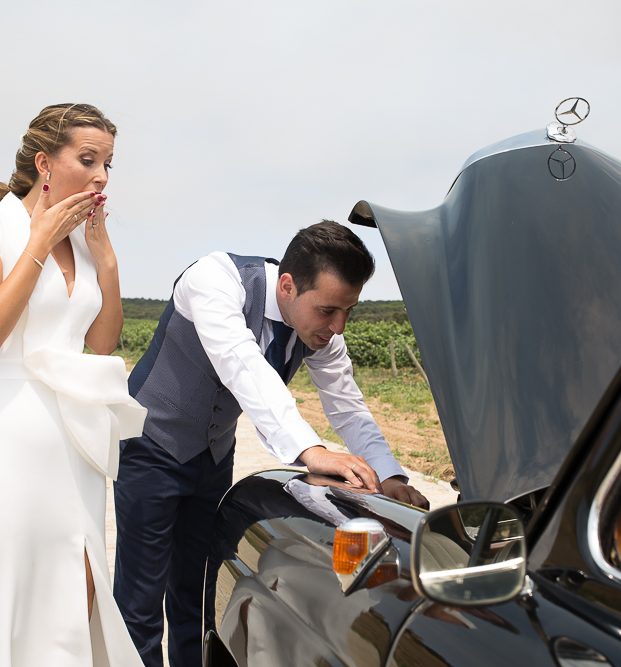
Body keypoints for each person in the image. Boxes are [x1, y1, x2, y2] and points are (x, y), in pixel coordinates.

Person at [113, 221, 429, 667]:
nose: (338, 327)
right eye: (327, 311)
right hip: (152, 446)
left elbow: (348, 406)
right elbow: (242, 364)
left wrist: (392, 476)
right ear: (286, 285)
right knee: (140, 603)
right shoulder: (215, 279)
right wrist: (311, 451)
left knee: (194, 592)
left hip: (214, 456)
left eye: (348, 311)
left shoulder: (322, 330)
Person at [0, 103, 147, 666]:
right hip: (8, 431)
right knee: (12, 588)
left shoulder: (86, 244)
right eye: (89, 160)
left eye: (109, 164)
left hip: (76, 438)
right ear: (44, 162)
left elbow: (103, 342)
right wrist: (38, 242)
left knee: (83, 581)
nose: (101, 177)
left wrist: (105, 259)